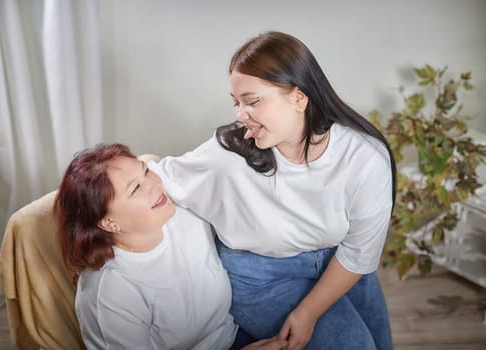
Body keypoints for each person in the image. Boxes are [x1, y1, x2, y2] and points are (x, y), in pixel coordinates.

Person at [149, 31, 397, 350]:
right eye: (236, 103)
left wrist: (308, 312)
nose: (240, 115)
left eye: (251, 101)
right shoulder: (227, 155)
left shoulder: (364, 158)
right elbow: (156, 176)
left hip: (340, 264)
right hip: (260, 278)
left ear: (298, 98)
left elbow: (358, 253)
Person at [53, 143, 287, 350]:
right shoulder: (109, 293)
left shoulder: (180, 210)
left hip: (234, 332)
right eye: (135, 188)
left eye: (146, 171)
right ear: (109, 222)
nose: (155, 185)